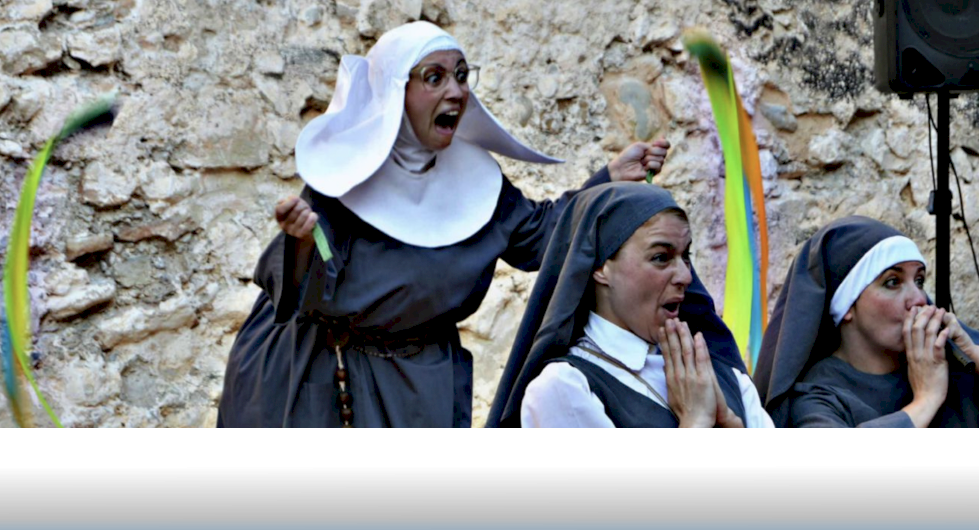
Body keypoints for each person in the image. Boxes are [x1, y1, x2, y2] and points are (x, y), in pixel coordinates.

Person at [219, 21, 669, 427]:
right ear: (397, 91)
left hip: (418, 382)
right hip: (319, 377)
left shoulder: (478, 182)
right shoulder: (344, 175)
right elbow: (301, 288)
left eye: (461, 75)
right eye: (434, 78)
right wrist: (301, 238)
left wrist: (609, 179)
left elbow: (543, 237)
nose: (455, 91)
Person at [487, 182, 773, 428]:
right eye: (661, 257)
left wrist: (730, 424)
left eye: (686, 256)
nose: (686, 276)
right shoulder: (565, 388)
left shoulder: (727, 377)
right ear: (600, 267)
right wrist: (696, 422)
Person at [753, 215, 979, 428]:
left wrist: (976, 357)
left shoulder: (942, 355)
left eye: (919, 280)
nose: (919, 299)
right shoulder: (816, 392)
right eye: (892, 282)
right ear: (847, 306)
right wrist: (925, 401)